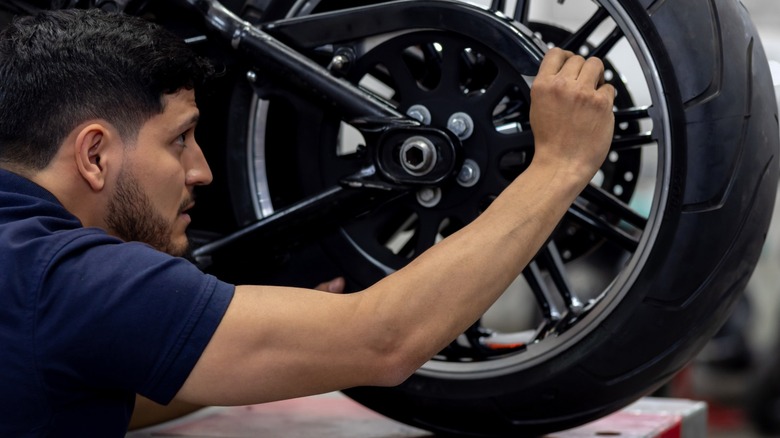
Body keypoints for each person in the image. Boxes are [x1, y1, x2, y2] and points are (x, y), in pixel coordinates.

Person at [0, 7, 614, 437]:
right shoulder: (70, 280)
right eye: (181, 139)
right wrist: (559, 164)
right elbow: (383, 341)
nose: (202, 171)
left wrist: (272, 345)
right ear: (95, 154)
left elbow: (88, 388)